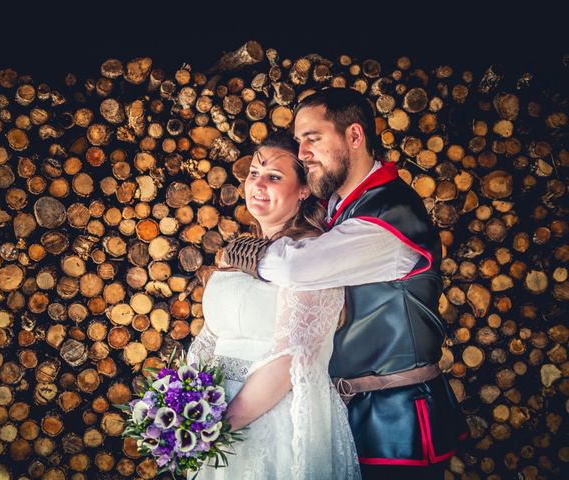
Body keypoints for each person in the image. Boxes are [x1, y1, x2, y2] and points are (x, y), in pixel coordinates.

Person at [222, 88, 468, 480]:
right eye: (299, 141)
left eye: (312, 139)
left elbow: (297, 269)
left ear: (354, 136)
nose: (302, 153)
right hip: (347, 414)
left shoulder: (390, 214)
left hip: (397, 418)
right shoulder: (339, 205)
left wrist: (242, 253)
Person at [186, 132, 360, 480]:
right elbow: (210, 337)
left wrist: (220, 427)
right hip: (212, 416)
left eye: (274, 177)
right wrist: (182, 399)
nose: (258, 184)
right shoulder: (237, 252)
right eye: (253, 173)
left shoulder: (313, 258)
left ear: (303, 189)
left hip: (276, 420)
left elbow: (291, 359)